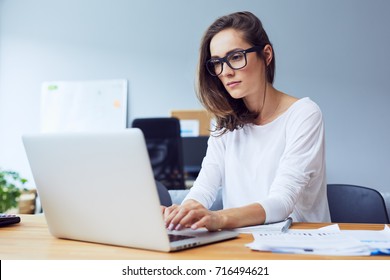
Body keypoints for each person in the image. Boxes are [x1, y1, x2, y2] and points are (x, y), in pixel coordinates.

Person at [163, 11, 330, 231]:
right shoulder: (223, 122)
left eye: (235, 57)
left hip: (298, 245)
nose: (226, 72)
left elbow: (282, 202)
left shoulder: (304, 114)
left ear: (266, 55)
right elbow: (203, 188)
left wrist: (219, 218)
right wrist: (183, 214)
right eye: (217, 63)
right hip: (241, 243)